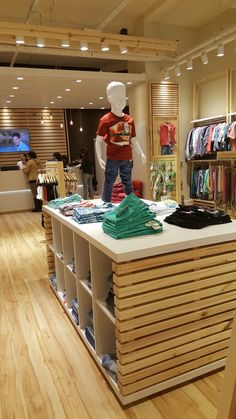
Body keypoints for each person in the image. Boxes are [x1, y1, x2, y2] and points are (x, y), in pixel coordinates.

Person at [95, 81, 146, 204]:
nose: (121, 100)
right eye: (117, 97)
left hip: (127, 157)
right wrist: (99, 157)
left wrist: (141, 153)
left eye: (123, 97)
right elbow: (99, 140)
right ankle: (106, 204)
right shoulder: (105, 120)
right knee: (109, 181)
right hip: (112, 157)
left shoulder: (129, 120)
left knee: (127, 180)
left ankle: (130, 204)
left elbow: (133, 139)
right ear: (109, 98)